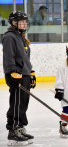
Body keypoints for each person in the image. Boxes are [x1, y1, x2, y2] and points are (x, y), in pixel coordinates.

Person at [2, 11, 36, 146]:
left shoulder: (21, 36)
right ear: (13, 23)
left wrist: (31, 72)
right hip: (17, 75)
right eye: (21, 22)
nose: (24, 24)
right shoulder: (10, 37)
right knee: (16, 103)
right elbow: (9, 57)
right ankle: (13, 129)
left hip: (24, 74)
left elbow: (25, 59)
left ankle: (21, 126)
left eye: (25, 22)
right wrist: (12, 73)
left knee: (23, 103)